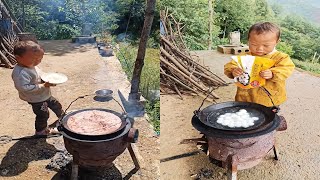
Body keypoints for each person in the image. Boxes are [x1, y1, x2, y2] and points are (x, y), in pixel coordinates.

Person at [224, 22, 295, 108]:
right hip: (244, 98)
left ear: (277, 42)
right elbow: (229, 66)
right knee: (244, 115)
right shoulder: (244, 57)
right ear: (248, 40)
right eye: (254, 44)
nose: (259, 49)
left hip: (269, 99)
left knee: (267, 117)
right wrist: (233, 71)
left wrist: (273, 73)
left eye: (266, 45)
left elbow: (286, 68)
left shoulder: (281, 58)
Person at [12, 41, 63, 135]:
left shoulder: (31, 65)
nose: (37, 61)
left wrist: (48, 79)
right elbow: (23, 88)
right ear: (18, 58)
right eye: (34, 59)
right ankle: (41, 131)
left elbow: (39, 75)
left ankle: (63, 118)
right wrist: (43, 86)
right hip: (36, 99)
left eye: (40, 58)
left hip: (44, 94)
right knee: (43, 114)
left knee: (56, 105)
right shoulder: (20, 73)